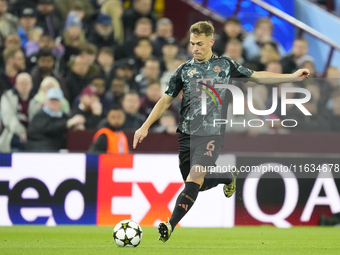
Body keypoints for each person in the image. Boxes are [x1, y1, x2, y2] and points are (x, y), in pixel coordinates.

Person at [133, 21, 310, 243]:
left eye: (199, 43)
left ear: (211, 42)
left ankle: (170, 225)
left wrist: (292, 77)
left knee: (195, 176)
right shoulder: (183, 70)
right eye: (191, 44)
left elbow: (258, 76)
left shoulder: (225, 65)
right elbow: (165, 100)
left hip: (211, 135)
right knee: (194, 182)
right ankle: (226, 177)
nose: (194, 48)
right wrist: (145, 126)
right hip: (187, 135)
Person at [26, 87, 85, 152]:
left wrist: (75, 127)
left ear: (61, 102)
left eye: (56, 100)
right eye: (51, 100)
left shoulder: (63, 115)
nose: (53, 102)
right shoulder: (39, 115)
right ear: (46, 101)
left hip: (58, 149)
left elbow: (66, 125)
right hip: (39, 149)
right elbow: (49, 128)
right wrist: (68, 123)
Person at [0, 73, 40, 152]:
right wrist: (21, 132)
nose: (24, 86)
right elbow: (9, 118)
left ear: (31, 85)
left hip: (31, 137)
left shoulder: (36, 101)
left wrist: (30, 134)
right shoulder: (7, 97)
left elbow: (37, 120)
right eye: (21, 83)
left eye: (26, 83)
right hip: (12, 135)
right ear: (16, 85)